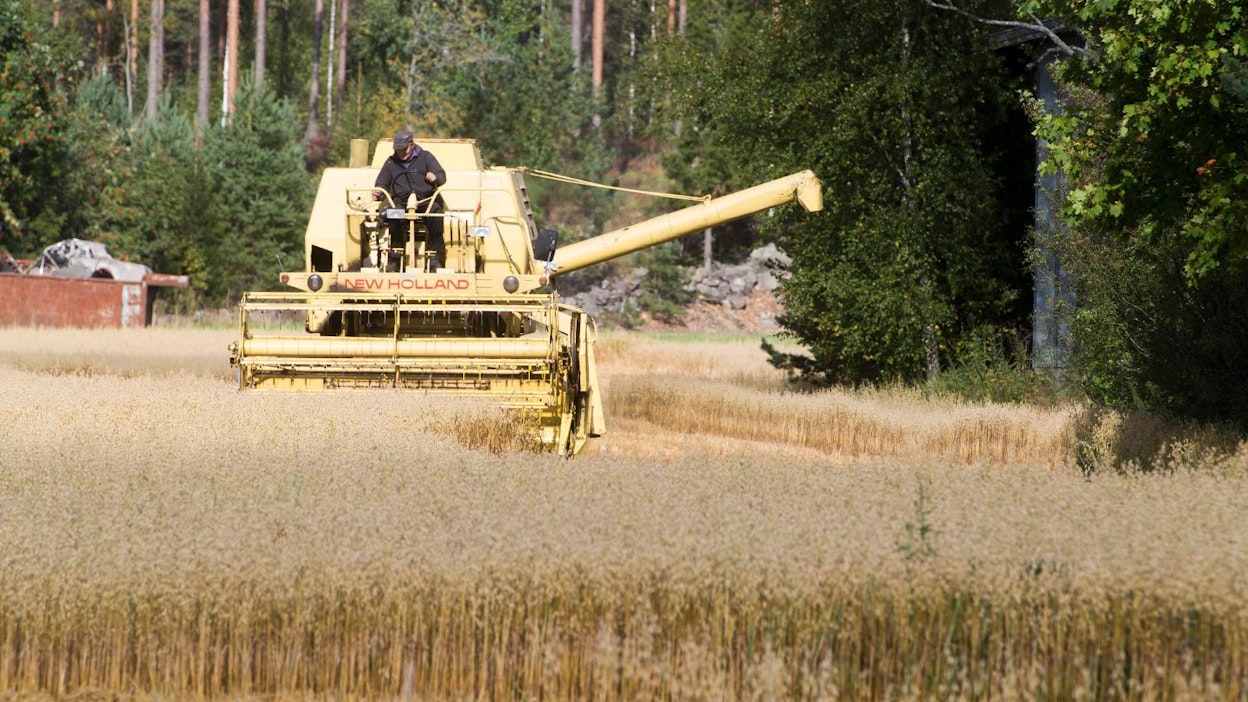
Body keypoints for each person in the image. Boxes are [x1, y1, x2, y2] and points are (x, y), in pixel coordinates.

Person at [373, 130, 447, 269]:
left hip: (426, 200)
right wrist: (378, 192)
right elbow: (382, 183)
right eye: (398, 149)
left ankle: (435, 257)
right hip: (401, 202)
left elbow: (441, 176)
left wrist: (434, 177)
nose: (400, 152)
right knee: (393, 214)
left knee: (436, 214)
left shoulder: (426, 157)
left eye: (403, 149)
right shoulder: (390, 163)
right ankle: (395, 257)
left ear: (412, 144)